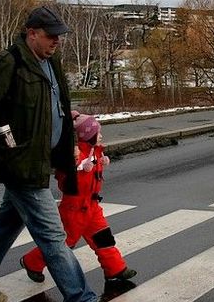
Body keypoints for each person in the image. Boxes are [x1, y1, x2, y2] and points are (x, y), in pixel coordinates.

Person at [0, 6, 113, 302]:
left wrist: (63, 158)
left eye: (59, 36)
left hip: (40, 160)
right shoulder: (8, 64)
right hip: (19, 162)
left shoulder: (50, 64)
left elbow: (60, 112)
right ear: (31, 33)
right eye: (51, 35)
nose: (57, 41)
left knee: (6, 225)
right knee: (52, 234)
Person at [21, 111, 137, 283]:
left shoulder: (94, 151)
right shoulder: (75, 155)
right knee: (64, 243)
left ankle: (115, 268)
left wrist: (101, 161)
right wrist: (79, 165)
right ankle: (31, 262)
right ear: (88, 136)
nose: (101, 136)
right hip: (74, 208)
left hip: (91, 205)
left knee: (103, 237)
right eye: (98, 133)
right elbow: (64, 176)